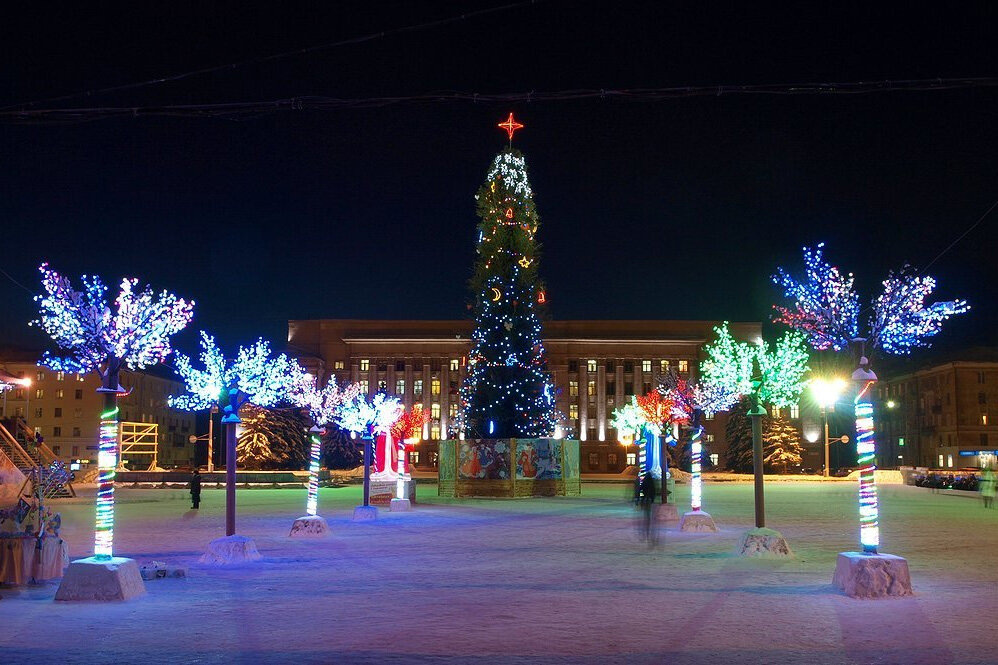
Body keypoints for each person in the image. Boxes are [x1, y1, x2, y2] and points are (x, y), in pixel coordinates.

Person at [635, 473, 657, 545]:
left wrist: (638, 500)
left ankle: (645, 531)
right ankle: (649, 530)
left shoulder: (644, 483)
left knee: (645, 516)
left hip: (644, 501)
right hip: (649, 501)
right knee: (649, 516)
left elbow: (640, 490)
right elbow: (654, 492)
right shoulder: (652, 484)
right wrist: (653, 499)